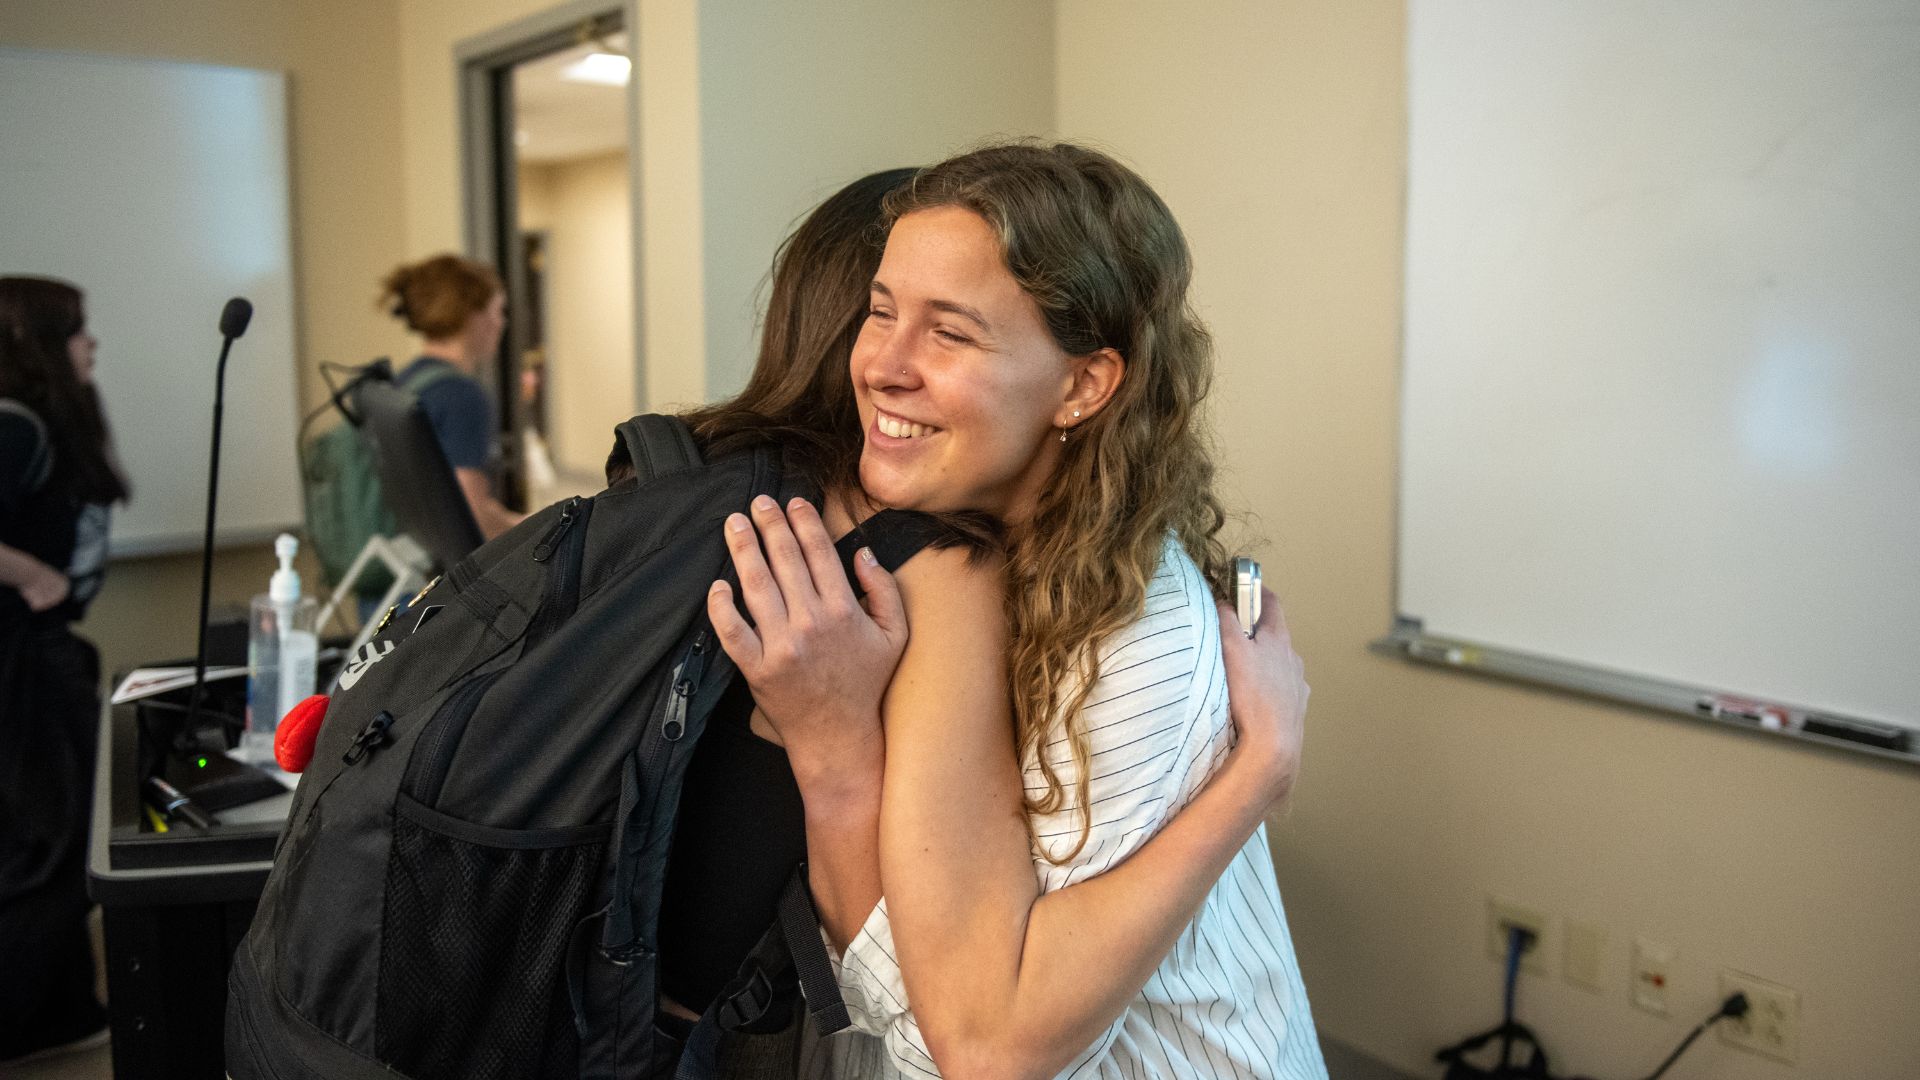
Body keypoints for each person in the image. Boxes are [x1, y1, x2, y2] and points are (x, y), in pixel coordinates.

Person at [632, 164, 1312, 1076]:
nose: (882, 365)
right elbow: (895, 993)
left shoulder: (1135, 634)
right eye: (880, 312)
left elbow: (983, 1052)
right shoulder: (967, 568)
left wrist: (1260, 771)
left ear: (1084, 386)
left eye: (949, 332)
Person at [0, 275, 130, 1065]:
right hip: (20, 661)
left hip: (41, 657)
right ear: (35, 346)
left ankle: (63, 1014)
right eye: (75, 330)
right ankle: (25, 1024)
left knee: (50, 836)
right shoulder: (13, 424)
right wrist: (26, 574)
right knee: (49, 845)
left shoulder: (39, 422)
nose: (91, 343)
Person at [378, 253, 525, 539]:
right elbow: (472, 514)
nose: (501, 323)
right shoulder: (463, 397)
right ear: (471, 315)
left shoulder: (407, 380)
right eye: (498, 311)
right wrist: (537, 530)